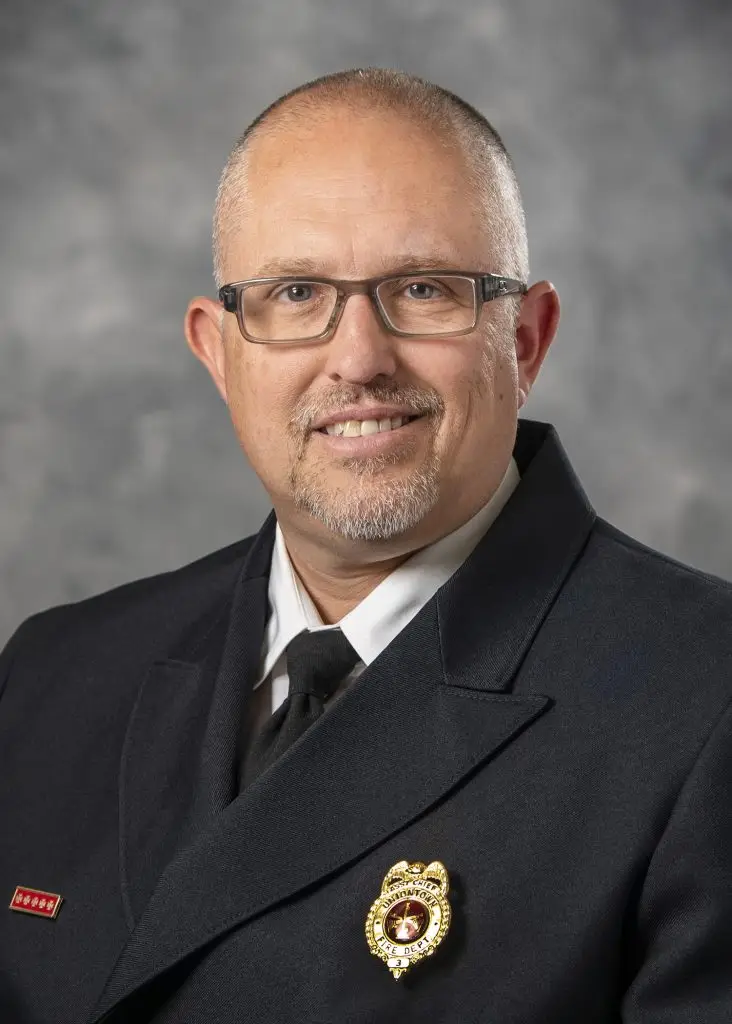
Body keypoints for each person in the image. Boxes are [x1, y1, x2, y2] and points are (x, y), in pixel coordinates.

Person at [1, 67, 731, 1024]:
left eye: (423, 288)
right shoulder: (50, 677)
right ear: (218, 352)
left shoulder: (706, 705)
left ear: (525, 340)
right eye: (296, 292)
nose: (358, 359)